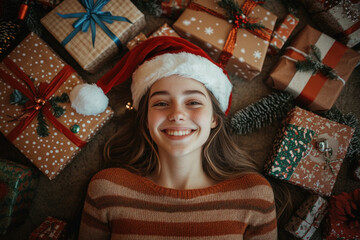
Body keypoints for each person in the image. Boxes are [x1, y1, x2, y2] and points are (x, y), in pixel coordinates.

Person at [78, 36, 277, 239]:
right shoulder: (107, 189)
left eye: (193, 102)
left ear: (214, 119)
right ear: (146, 120)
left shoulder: (254, 195)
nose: (177, 114)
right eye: (161, 104)